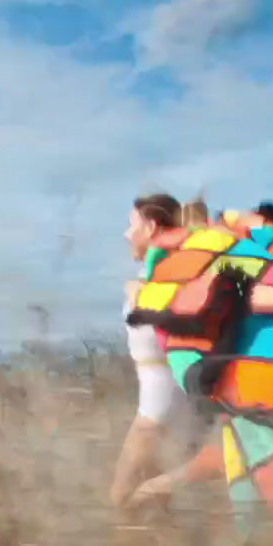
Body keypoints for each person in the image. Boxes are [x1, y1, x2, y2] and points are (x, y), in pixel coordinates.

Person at [109, 193, 222, 508]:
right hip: (174, 406)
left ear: (150, 226)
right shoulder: (162, 274)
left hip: (160, 408)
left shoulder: (169, 278)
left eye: (131, 224)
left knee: (122, 500)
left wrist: (137, 291)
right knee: (155, 510)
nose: (125, 234)